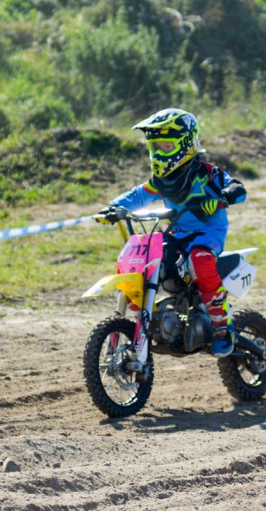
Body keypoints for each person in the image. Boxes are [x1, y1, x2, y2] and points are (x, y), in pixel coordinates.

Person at [97, 108, 246, 357]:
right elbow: (138, 195)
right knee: (138, 259)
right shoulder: (161, 179)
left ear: (186, 143)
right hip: (176, 234)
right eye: (155, 148)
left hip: (206, 234)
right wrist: (114, 207)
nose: (159, 153)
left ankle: (222, 326)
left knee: (200, 260)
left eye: (166, 147)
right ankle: (150, 318)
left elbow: (237, 187)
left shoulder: (206, 173)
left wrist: (224, 196)